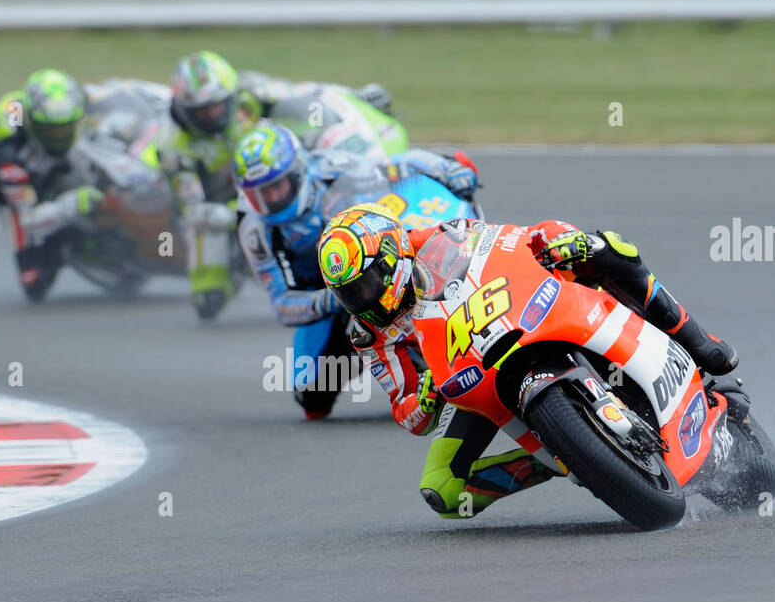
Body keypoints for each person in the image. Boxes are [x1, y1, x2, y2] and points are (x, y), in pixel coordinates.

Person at [316, 204, 738, 518]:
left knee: (605, 247)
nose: (361, 300)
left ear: (391, 257)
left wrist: (557, 240)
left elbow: (510, 239)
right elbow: (405, 412)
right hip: (467, 377)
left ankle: (699, 342)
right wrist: (424, 399)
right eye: (348, 293)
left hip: (517, 315)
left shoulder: (433, 239)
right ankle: (562, 457)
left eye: (366, 284)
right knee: (443, 493)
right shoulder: (367, 333)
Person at [233, 124, 479, 418]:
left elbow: (397, 164)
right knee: (310, 394)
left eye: (276, 186)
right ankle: (385, 355)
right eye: (260, 194)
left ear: (298, 171)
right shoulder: (254, 231)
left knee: (407, 271)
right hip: (325, 294)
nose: (271, 199)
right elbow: (283, 304)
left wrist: (446, 169)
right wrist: (336, 299)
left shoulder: (332, 168)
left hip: (371, 263)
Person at [163, 50, 395, 318]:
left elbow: (306, 93)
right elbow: (192, 209)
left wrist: (356, 95)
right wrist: (235, 211)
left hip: (272, 174)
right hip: (225, 205)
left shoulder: (250, 91)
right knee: (208, 297)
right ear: (183, 110)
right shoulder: (173, 148)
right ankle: (230, 271)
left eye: (216, 105)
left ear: (231, 94)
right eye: (200, 112)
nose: (211, 115)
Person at [0, 69, 105, 302]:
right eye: (51, 128)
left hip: (52, 158)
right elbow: (28, 217)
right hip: (12, 178)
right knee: (34, 282)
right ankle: (56, 246)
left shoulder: (78, 99)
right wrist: (69, 206)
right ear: (32, 117)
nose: (58, 135)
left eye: (66, 127)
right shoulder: (12, 121)